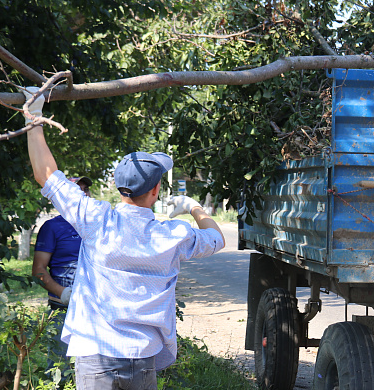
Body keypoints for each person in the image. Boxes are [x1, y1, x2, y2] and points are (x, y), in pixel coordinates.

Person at [21, 86, 225, 390]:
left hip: (95, 354)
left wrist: (33, 117)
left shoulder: (94, 219)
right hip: (141, 356)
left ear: (118, 186)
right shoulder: (172, 235)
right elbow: (216, 238)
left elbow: (46, 174)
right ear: (156, 191)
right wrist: (192, 206)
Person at [32, 175, 92, 379]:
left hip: (96, 309)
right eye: (78, 190)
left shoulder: (97, 224)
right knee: (59, 366)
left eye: (86, 189)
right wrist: (64, 293)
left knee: (94, 365)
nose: (83, 194)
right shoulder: (52, 227)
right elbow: (38, 271)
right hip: (63, 309)